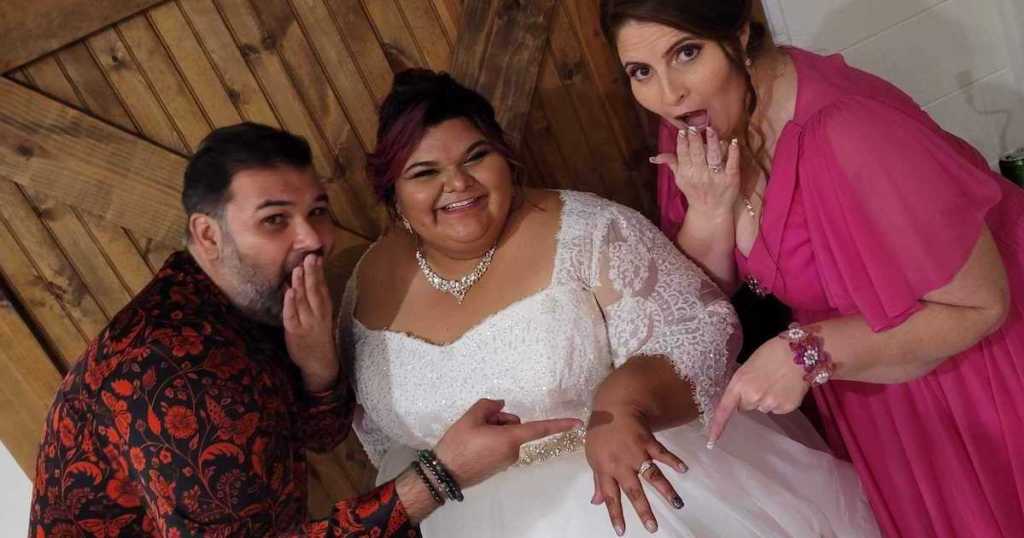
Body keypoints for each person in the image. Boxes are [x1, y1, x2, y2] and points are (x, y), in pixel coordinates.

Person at [337, 69, 879, 537]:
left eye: (477, 156)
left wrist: (625, 403)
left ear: (507, 160)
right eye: (424, 172)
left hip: (627, 493)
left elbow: (698, 329)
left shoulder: (590, 229)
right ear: (394, 195)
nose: (457, 183)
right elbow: (375, 428)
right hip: (454, 516)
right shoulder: (367, 281)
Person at [27, 122, 581, 537]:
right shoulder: (173, 368)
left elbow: (317, 434)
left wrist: (317, 366)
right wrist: (440, 476)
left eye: (316, 211)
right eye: (275, 221)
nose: (314, 237)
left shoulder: (248, 297)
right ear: (208, 233)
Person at [599, 1, 1024, 536]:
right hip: (876, 391)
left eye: (686, 53)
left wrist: (807, 351)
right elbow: (698, 300)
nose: (667, 94)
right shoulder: (692, 126)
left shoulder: (851, 131)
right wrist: (709, 212)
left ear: (740, 31)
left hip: (981, 374)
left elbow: (983, 305)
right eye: (641, 72)